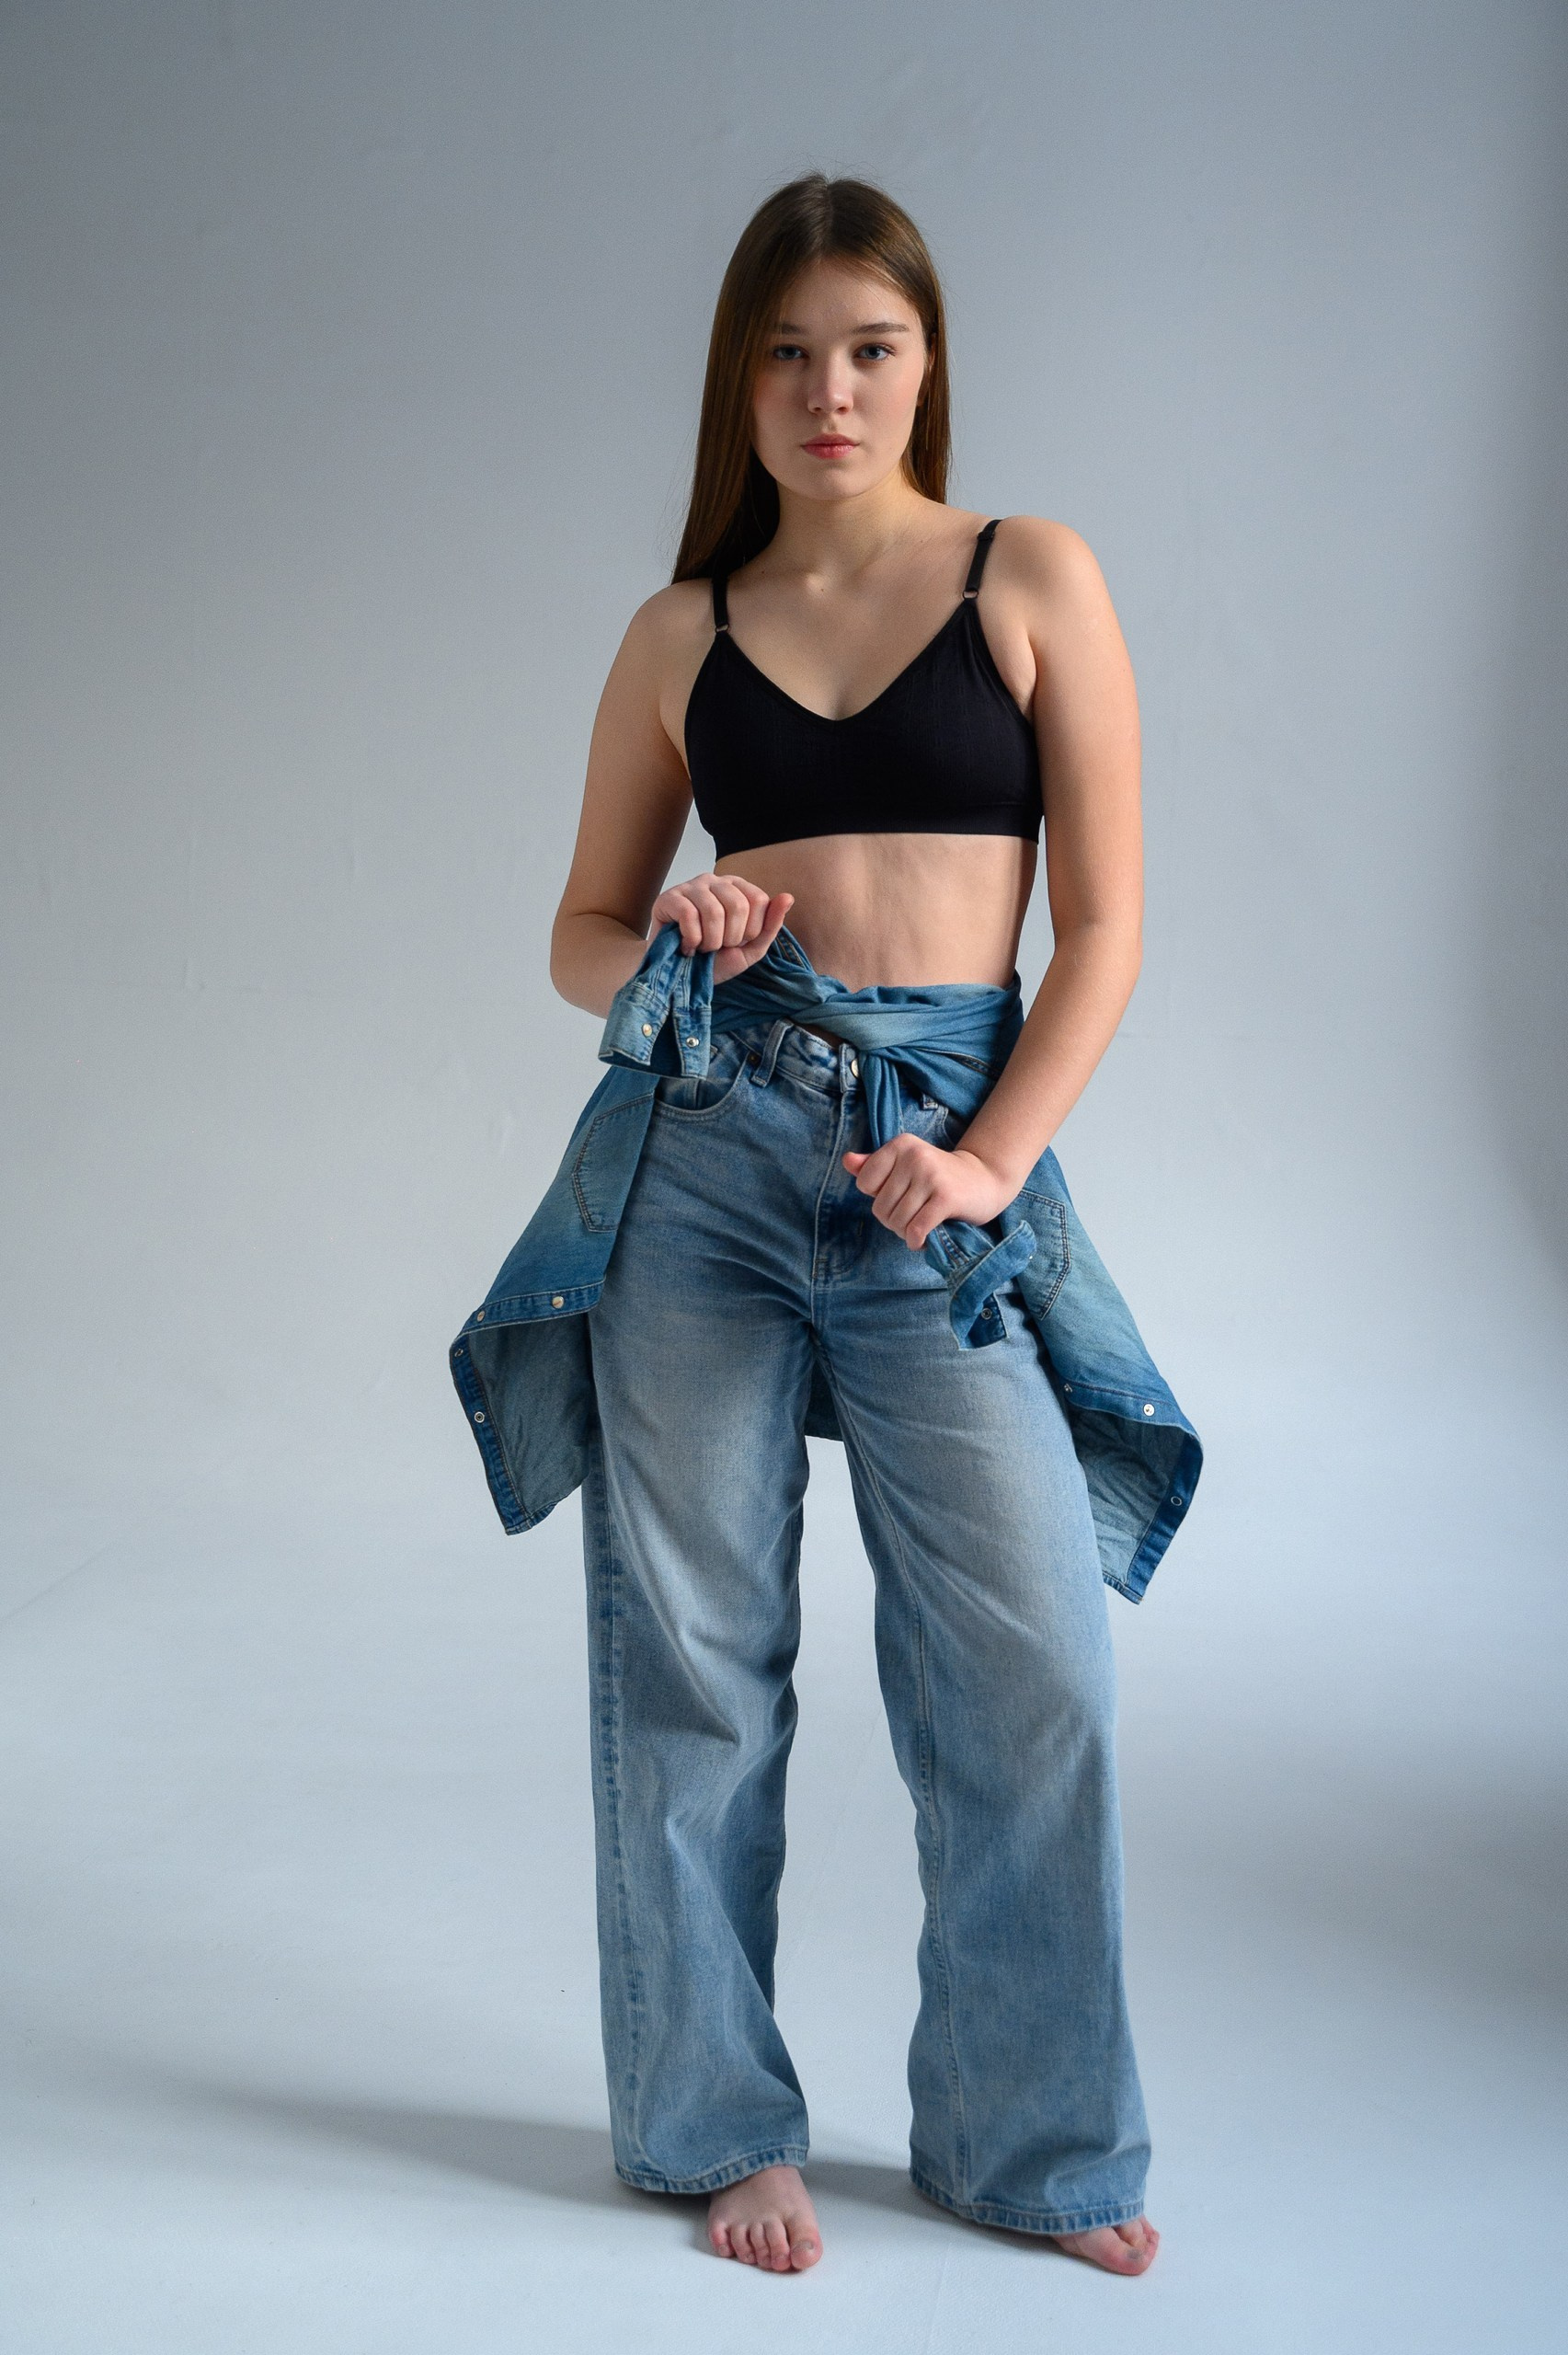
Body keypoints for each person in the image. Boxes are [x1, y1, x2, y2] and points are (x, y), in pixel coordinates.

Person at [452, 172, 1202, 2280]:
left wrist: (987, 1165)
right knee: (694, 1661)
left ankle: (1030, 2142)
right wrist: (663, 938)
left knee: (1031, 1665)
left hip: (934, 1172)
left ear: (925, 360)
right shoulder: (678, 630)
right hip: (705, 1167)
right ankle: (715, 2124)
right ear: (740, 381)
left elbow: (1105, 928)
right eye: (785, 354)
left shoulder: (1026, 572)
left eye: (867, 346)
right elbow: (578, 928)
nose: (827, 389)